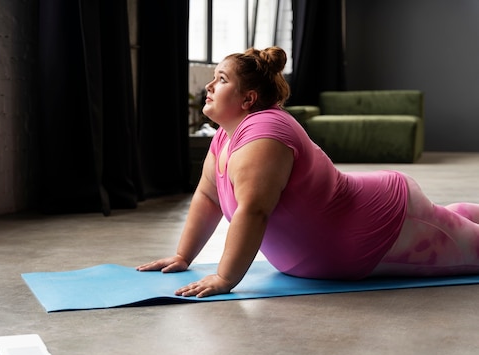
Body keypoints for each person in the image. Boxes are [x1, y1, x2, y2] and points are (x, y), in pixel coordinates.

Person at [136, 46, 479, 298]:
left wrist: (224, 278)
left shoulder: (265, 132)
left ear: (248, 98)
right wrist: (184, 256)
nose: (210, 86)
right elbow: (208, 197)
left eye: (221, 80)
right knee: (454, 218)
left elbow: (254, 210)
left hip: (382, 226)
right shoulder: (224, 138)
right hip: (346, 243)